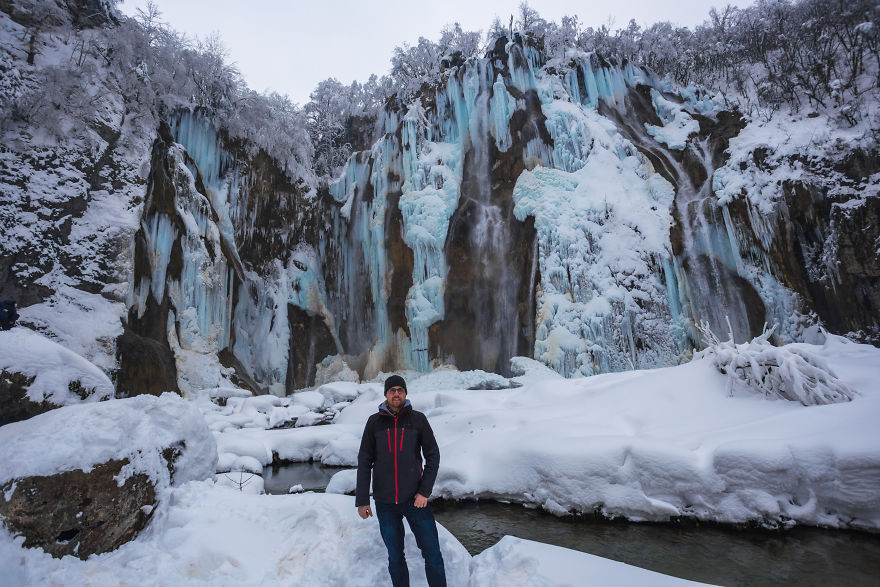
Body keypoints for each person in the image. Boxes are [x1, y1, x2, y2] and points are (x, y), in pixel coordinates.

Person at [356, 374, 446, 587]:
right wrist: (362, 500)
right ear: (386, 394)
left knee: (432, 554)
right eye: (392, 390)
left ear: (405, 393)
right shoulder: (374, 423)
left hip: (415, 500)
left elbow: (433, 455)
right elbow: (364, 460)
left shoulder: (418, 419)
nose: (396, 394)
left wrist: (424, 492)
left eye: (400, 390)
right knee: (395, 557)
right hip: (385, 502)